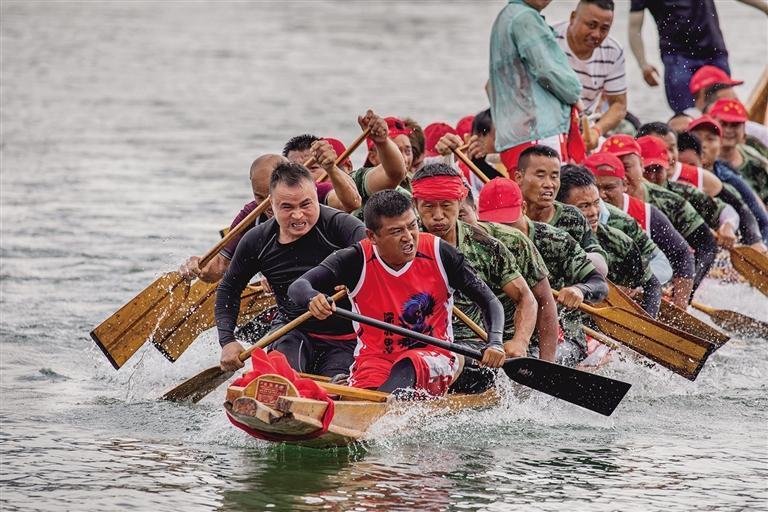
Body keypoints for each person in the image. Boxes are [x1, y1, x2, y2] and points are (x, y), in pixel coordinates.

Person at [288, 189, 507, 396]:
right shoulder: (355, 259)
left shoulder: (441, 253)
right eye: (396, 231)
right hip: (375, 359)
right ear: (372, 236)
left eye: (412, 226)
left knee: (408, 364)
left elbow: (489, 301)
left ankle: (381, 408)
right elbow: (298, 286)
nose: (409, 237)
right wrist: (312, 298)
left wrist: (495, 342)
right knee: (366, 396)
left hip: (435, 356)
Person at [215, 161, 366, 375]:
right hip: (291, 330)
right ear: (271, 204)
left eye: (305, 205)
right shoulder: (257, 240)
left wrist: (356, 277)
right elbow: (229, 289)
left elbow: (379, 261)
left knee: (334, 383)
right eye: (287, 207)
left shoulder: (342, 226)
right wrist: (227, 341)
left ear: (316, 195)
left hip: (346, 338)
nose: (298, 215)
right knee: (283, 375)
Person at [411, 164, 538, 363]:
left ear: (460, 200)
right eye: (428, 206)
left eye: (446, 205)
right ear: (415, 204)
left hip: (471, 345)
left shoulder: (486, 246)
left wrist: (519, 342)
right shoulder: (403, 244)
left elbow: (526, 298)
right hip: (416, 339)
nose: (438, 215)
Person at [478, 179, 608, 365]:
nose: (502, 232)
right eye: (494, 225)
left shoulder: (555, 240)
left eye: (509, 224)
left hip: (559, 338)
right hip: (500, 339)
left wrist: (580, 290)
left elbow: (599, 284)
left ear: (524, 209)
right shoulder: (479, 241)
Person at [601, 134, 717, 295]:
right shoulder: (590, 206)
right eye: (612, 168)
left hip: (661, 283)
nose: (620, 175)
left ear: (640, 165)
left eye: (626, 167)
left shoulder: (668, 201)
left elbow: (704, 246)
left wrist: (683, 294)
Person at [464, 179, 559, 363]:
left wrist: (547, 365)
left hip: (512, 342)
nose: (501, 226)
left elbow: (544, 301)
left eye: (509, 221)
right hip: (470, 341)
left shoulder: (515, 240)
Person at [586, 151, 694, 307]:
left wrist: (636, 285)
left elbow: (681, 255)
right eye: (596, 189)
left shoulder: (635, 218)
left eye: (609, 187)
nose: (602, 195)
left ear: (624, 185)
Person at [488, 0, 584, 172]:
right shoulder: (525, 18)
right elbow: (547, 70)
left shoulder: (505, 17)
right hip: (539, 132)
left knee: (525, 188)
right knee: (553, 188)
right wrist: (575, 96)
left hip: (513, 137)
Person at [637, 122, 765, 246]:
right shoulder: (629, 184)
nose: (668, 156)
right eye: (660, 149)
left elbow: (740, 209)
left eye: (672, 148)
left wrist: (748, 237)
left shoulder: (700, 177)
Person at [628, 0, 768, 112]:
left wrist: (765, 8)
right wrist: (643, 64)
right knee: (687, 115)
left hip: (713, 52)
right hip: (677, 57)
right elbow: (634, 27)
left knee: (725, 109)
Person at [558, 165, 662, 316]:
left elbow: (652, 284)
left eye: (596, 203)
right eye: (584, 206)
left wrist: (647, 324)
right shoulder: (547, 237)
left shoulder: (619, 241)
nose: (594, 213)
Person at [179, 154, 285, 283]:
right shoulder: (250, 215)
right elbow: (219, 266)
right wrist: (198, 265)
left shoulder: (306, 207)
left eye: (270, 195)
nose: (267, 205)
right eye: (259, 197)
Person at [514, 145, 608, 276]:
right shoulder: (506, 217)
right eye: (540, 176)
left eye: (554, 176)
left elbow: (598, 262)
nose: (549, 184)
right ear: (519, 177)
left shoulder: (573, 218)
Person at [688, 115, 768, 244]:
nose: (703, 144)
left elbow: (760, 219)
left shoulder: (728, 175)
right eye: (696, 138)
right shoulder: (673, 174)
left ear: (720, 144)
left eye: (710, 139)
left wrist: (758, 244)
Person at [553, 0, 627, 138]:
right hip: (544, 127)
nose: (596, 34)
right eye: (591, 25)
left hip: (583, 127)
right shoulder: (549, 38)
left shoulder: (613, 51)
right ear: (573, 17)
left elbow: (619, 104)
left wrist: (596, 131)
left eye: (604, 29)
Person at [687, 65, 768, 147]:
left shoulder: (759, 133)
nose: (736, 103)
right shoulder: (686, 124)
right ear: (702, 94)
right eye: (727, 101)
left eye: (735, 99)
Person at [708, 98, 768, 205]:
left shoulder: (756, 160)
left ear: (744, 128)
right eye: (723, 123)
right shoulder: (703, 160)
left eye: (735, 124)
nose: (728, 130)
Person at [351, 113, 410, 219]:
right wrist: (382, 142)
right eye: (396, 150)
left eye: (408, 151)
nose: (404, 159)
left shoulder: (414, 181)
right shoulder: (359, 182)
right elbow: (396, 173)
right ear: (372, 157)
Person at [281, 135, 361, 212]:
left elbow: (352, 203)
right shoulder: (281, 190)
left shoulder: (320, 189)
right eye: (297, 170)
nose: (305, 176)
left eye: (313, 168)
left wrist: (331, 167)